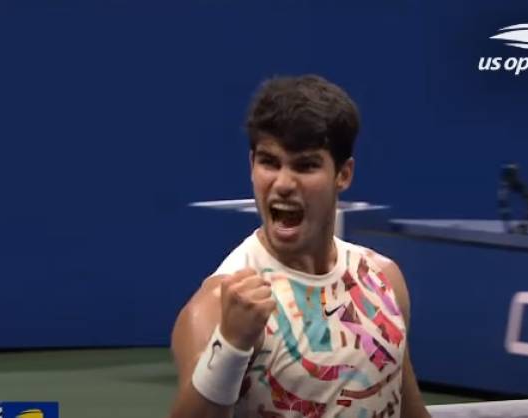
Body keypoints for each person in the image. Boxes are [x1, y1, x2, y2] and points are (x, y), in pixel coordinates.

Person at [169, 74, 430, 418]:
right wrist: (231, 345)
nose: (283, 183)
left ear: (343, 174)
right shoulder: (217, 306)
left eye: (305, 165)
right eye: (269, 162)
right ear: (251, 165)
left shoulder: (383, 280)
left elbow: (408, 410)